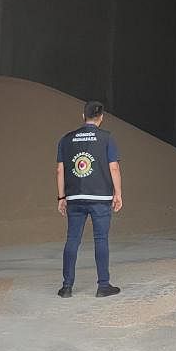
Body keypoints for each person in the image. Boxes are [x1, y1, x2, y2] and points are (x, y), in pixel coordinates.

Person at [56, 100, 123, 298]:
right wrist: (118, 193)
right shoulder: (107, 138)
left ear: (83, 116)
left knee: (72, 240)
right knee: (101, 239)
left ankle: (66, 287)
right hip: (100, 197)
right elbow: (114, 168)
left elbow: (60, 170)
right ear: (101, 117)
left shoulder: (66, 139)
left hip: (75, 197)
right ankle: (103, 286)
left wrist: (61, 197)